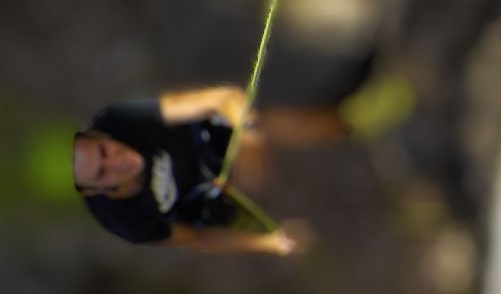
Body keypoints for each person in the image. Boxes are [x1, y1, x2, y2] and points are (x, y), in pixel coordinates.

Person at [71, 86, 344, 255]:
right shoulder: (126, 221)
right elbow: (197, 239)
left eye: (105, 152)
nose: (117, 163)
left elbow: (222, 99)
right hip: (203, 204)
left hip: (205, 140)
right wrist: (271, 244)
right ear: (95, 191)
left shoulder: (120, 121)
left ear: (101, 135)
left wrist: (250, 137)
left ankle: (351, 124)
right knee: (226, 221)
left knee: (268, 122)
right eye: (102, 173)